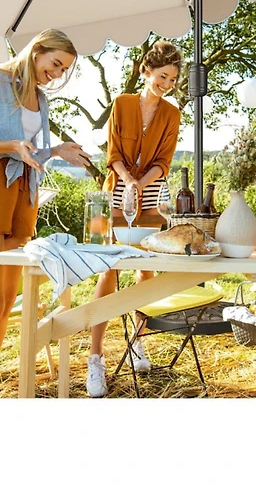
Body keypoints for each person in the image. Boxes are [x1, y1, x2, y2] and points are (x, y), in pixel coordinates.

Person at [0, 28, 91, 398]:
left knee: (4, 306)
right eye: (56, 64)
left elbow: (30, 152)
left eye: (64, 70)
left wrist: (59, 150)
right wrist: (12, 144)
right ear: (37, 51)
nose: (58, 74)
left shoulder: (41, 99)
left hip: (23, 195)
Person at [86, 39, 183, 398]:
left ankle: (137, 343)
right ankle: (95, 357)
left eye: (172, 79)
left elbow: (164, 161)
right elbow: (112, 153)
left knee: (146, 269)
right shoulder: (122, 104)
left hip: (152, 194)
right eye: (162, 75)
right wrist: (128, 182)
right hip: (117, 191)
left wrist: (142, 185)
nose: (166, 83)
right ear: (145, 71)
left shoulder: (172, 114)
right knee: (110, 268)